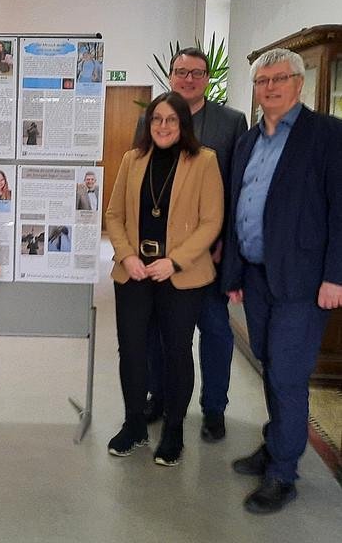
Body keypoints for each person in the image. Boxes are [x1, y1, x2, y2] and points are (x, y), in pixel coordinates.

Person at [222, 48, 342, 514]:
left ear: (299, 84)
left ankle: (283, 473)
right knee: (270, 363)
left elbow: (339, 210)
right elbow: (239, 209)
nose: (270, 87)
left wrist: (336, 275)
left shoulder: (327, 135)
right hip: (256, 277)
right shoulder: (250, 141)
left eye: (279, 78)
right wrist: (234, 273)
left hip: (304, 281)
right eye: (262, 81)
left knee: (289, 375)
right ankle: (276, 443)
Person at [105, 91, 223, 467]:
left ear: (183, 124)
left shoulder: (204, 161)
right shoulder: (132, 159)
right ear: (148, 123)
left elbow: (211, 222)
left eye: (171, 119)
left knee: (176, 351)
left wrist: (174, 261)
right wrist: (127, 255)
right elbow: (114, 214)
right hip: (135, 271)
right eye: (157, 119)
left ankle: (174, 429)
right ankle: (135, 423)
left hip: (179, 275)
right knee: (133, 350)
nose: (163, 126)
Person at [140, 48, 248, 441]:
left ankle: (214, 407)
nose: (188, 78)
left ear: (206, 77)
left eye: (197, 73)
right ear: (170, 76)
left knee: (216, 331)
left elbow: (238, 188)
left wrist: (225, 245)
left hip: (210, 253)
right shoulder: (153, 117)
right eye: (181, 71)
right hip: (158, 254)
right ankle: (160, 396)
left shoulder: (230, 123)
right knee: (159, 331)